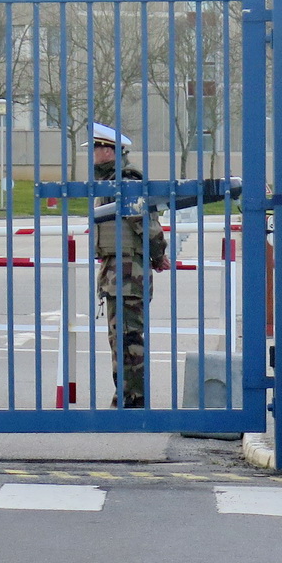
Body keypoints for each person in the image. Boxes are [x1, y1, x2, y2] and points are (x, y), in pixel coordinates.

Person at [90, 123, 167, 408]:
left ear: (109, 151)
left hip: (127, 274)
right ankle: (127, 396)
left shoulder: (125, 181)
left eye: (96, 149)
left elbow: (146, 224)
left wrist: (158, 255)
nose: (93, 156)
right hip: (118, 273)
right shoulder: (113, 181)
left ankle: (133, 399)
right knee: (121, 338)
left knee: (127, 339)